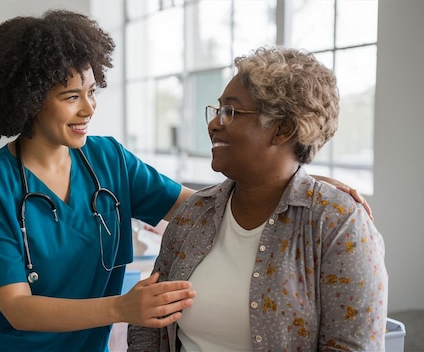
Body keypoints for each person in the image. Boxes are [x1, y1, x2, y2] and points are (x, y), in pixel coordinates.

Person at [0, 10, 197, 352]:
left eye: (92, 91)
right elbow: (18, 308)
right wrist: (122, 308)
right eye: (71, 97)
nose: (89, 108)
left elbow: (197, 210)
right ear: (31, 101)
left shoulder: (110, 159)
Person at [127, 46, 388, 351]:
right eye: (217, 110)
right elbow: (148, 327)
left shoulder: (338, 224)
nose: (213, 124)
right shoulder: (194, 213)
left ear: (283, 129)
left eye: (231, 112)